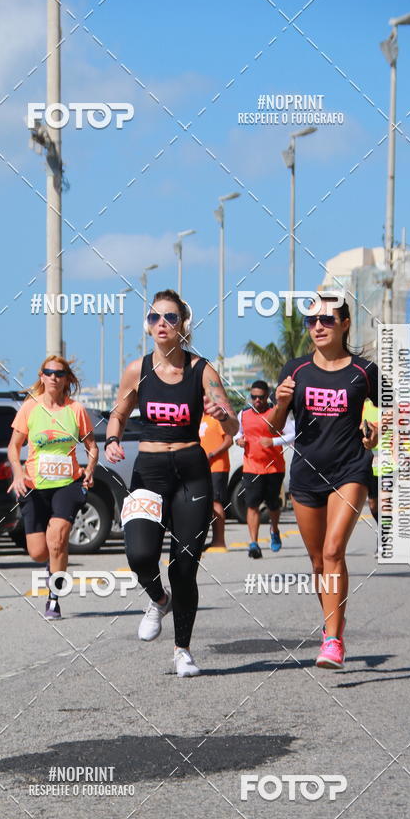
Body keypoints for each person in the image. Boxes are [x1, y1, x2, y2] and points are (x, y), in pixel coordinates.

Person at [105, 290, 238, 677]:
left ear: (184, 326)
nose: (161, 323)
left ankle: (182, 650)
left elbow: (232, 423)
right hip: (148, 470)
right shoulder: (137, 369)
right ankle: (158, 598)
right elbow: (119, 413)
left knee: (185, 566)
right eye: (153, 317)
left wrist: (223, 414)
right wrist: (113, 440)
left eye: (170, 317)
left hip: (190, 469)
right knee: (140, 554)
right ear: (148, 327)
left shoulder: (202, 371)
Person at [267, 297, 378, 670]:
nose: (318, 326)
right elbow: (273, 427)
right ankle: (336, 620)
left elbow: (391, 412)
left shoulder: (365, 371)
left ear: (345, 324)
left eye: (327, 319)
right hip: (306, 474)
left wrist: (376, 432)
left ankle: (332, 640)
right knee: (317, 563)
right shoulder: (295, 370)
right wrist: (280, 403)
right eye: (311, 319)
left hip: (350, 470)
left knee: (333, 552)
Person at [7, 356, 98, 619]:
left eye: (59, 373)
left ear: (67, 378)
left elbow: (92, 447)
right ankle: (53, 561)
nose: (54, 377)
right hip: (34, 484)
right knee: (38, 552)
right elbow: (14, 447)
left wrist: (89, 470)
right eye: (49, 372)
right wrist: (17, 473)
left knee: (57, 539)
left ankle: (54, 598)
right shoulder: (29, 409)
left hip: (67, 483)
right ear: (42, 376)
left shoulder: (76, 410)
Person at [235, 381, 295, 559]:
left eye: (261, 397)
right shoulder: (243, 414)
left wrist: (274, 441)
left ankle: (274, 530)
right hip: (252, 467)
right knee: (251, 505)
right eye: (254, 397)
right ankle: (253, 543)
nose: (257, 400)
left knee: (273, 505)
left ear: (267, 396)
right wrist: (238, 440)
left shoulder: (276, 413)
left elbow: (293, 435)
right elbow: (237, 433)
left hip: (274, 468)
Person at [199, 414, 233, 551]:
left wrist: (212, 454)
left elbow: (229, 440)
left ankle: (220, 541)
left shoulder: (218, 418)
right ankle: (213, 540)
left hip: (217, 466)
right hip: (200, 467)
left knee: (216, 501)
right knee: (205, 503)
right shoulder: (198, 417)